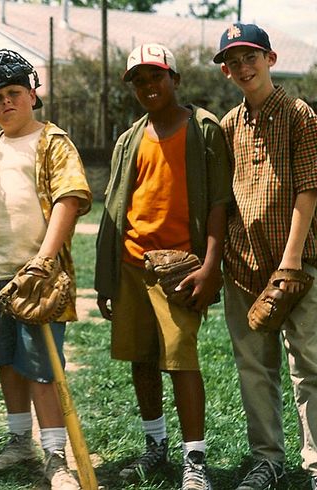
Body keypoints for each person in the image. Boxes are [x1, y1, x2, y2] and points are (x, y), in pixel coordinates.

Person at [94, 43, 231, 490]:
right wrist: (108, 277)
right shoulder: (130, 138)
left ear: (175, 79)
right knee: (141, 357)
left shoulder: (203, 128)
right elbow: (118, 205)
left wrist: (211, 267)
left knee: (180, 359)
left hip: (181, 268)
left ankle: (195, 459)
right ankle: (156, 446)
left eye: (157, 76)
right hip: (133, 263)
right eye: (139, 79)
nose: (149, 86)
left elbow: (218, 203)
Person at [0, 49, 91, 489]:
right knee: (6, 363)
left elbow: (70, 199)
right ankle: (19, 441)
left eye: (13, 93)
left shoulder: (52, 141)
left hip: (38, 278)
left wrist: (44, 260)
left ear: (33, 93)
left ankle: (55, 455)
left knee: (41, 367)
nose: (5, 104)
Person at [213, 23, 317, 490]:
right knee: (254, 367)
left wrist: (289, 263)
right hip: (244, 265)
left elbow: (309, 190)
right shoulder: (227, 125)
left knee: (306, 364)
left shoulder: (299, 114)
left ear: (271, 58)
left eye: (251, 56)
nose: (244, 67)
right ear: (226, 71)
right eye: (234, 61)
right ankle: (267, 459)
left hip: (296, 264)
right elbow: (221, 200)